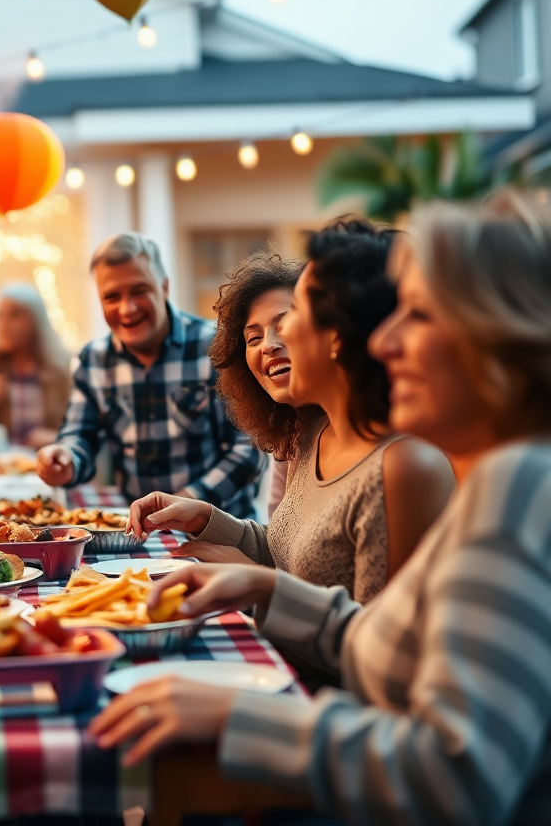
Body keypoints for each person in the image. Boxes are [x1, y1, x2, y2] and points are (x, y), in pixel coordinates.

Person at [90, 192, 551, 826]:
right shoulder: (496, 482)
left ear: (504, 335)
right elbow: (389, 642)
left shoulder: (515, 493)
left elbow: (455, 779)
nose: (382, 340)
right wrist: (263, 585)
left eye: (419, 314)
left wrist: (240, 717)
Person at [129, 227, 454, 604]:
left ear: (341, 333)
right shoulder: (309, 432)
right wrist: (206, 518)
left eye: (294, 315)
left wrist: (260, 583)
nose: (274, 342)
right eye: (254, 337)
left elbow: (374, 634)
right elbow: (290, 555)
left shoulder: (403, 466)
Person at [37, 232, 262, 515]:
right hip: (140, 528)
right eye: (112, 297)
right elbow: (80, 436)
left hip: (221, 526)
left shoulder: (215, 347)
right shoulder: (93, 360)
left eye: (140, 291)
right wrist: (66, 459)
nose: (127, 308)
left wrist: (186, 501)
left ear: (164, 287)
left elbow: (250, 448)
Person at [0, 282, 73, 449]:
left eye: (14, 316)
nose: (4, 325)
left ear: (36, 320)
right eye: (0, 316)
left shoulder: (62, 368)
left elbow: (83, 428)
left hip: (46, 460)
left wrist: (56, 437)